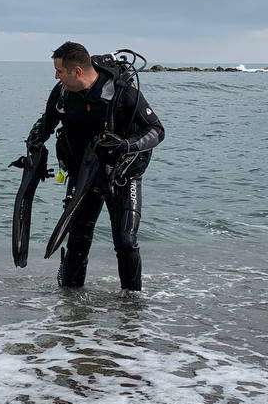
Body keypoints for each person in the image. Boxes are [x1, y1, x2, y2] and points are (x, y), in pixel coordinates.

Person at [25, 42, 165, 290]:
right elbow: (46, 123)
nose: (56, 77)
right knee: (78, 239)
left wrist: (125, 145)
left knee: (125, 240)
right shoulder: (62, 93)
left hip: (121, 174)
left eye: (60, 71)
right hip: (83, 175)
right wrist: (35, 139)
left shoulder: (122, 92)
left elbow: (156, 130)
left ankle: (132, 306)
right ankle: (70, 303)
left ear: (77, 71)